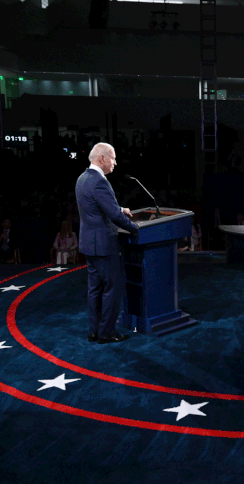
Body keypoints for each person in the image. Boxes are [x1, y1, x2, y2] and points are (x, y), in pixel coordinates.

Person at [76, 143, 139, 345]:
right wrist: (135, 228)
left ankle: (94, 331)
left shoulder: (82, 178)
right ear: (102, 158)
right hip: (104, 245)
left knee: (94, 289)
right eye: (112, 158)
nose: (115, 162)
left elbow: (96, 205)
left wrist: (120, 208)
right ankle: (107, 333)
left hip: (89, 244)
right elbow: (113, 215)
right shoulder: (100, 182)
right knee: (112, 288)